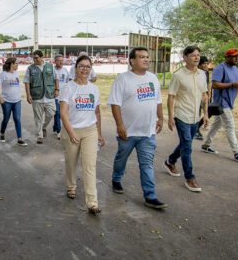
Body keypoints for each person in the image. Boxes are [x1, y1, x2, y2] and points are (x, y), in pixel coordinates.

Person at [108, 47, 166, 209]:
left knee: (147, 163)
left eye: (147, 57)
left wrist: (161, 118)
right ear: (132, 61)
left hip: (148, 132)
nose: (146, 60)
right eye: (142, 57)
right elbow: (115, 103)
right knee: (122, 158)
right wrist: (119, 125)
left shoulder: (153, 78)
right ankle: (117, 178)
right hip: (128, 131)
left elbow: (158, 100)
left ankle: (150, 195)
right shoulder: (123, 79)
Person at [59, 55, 105, 215]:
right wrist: (71, 133)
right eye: (81, 66)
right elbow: (63, 113)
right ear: (76, 69)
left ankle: (92, 202)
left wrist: (99, 134)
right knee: (71, 163)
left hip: (89, 130)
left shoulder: (94, 89)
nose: (85, 69)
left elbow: (97, 112)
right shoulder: (68, 88)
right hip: (71, 129)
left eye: (88, 66)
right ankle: (71, 187)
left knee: (89, 166)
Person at [164, 46, 209, 192]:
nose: (196, 58)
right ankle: (190, 177)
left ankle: (170, 161)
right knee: (187, 146)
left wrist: (206, 115)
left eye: (198, 55)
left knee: (185, 143)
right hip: (181, 115)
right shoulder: (178, 76)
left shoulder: (203, 74)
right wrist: (170, 117)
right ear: (185, 57)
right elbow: (171, 97)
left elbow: (204, 95)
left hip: (195, 116)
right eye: (193, 55)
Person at [201, 48, 238, 162]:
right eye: (234, 56)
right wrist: (232, 84)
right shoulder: (220, 68)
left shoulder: (235, 69)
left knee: (216, 124)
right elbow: (215, 85)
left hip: (230, 101)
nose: (237, 58)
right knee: (230, 126)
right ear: (227, 57)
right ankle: (237, 152)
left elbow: (236, 82)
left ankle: (206, 145)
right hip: (222, 102)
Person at [24, 50, 59, 144]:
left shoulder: (50, 66)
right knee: (38, 117)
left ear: (41, 57)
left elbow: (56, 79)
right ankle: (39, 135)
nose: (34, 59)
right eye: (33, 58)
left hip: (49, 95)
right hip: (36, 96)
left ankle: (43, 127)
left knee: (52, 112)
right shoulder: (30, 68)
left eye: (36, 58)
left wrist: (57, 90)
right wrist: (28, 95)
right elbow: (27, 82)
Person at [0, 57, 27, 146]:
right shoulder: (3, 74)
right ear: (11, 64)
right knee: (6, 119)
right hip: (7, 101)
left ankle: (19, 138)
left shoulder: (16, 74)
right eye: (16, 63)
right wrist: (0, 99)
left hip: (17, 100)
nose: (17, 65)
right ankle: (2, 133)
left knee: (17, 119)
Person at [52, 55, 70, 140]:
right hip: (55, 95)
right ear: (55, 61)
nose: (61, 62)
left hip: (64, 95)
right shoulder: (52, 70)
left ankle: (55, 127)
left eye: (62, 60)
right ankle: (59, 131)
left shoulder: (65, 70)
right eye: (59, 60)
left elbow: (67, 81)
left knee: (62, 113)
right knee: (57, 112)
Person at [194, 56, 210, 140]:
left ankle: (196, 129)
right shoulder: (195, 72)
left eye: (206, 63)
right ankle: (195, 130)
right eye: (204, 63)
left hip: (204, 95)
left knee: (203, 112)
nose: (205, 65)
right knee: (197, 112)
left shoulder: (206, 73)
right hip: (196, 96)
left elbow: (208, 85)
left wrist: (209, 95)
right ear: (199, 64)